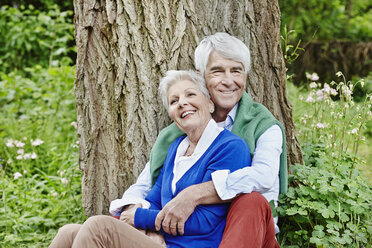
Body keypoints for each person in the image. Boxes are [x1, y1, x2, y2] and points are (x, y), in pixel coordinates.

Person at [110, 32, 286, 248]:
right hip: (186, 235)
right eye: (217, 71)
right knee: (82, 231)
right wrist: (143, 223)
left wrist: (194, 194)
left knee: (251, 201)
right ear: (201, 75)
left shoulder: (263, 126)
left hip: (249, 233)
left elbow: (263, 177)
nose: (228, 80)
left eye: (236, 71)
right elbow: (146, 186)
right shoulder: (177, 136)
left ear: (246, 75)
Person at [49, 70, 251, 248]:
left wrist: (138, 217)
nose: (182, 103)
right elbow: (154, 199)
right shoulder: (177, 148)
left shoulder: (229, 147)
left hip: (190, 245)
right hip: (159, 241)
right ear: (171, 113)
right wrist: (151, 230)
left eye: (190, 94)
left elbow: (204, 220)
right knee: (68, 232)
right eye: (174, 101)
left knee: (100, 227)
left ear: (209, 103)